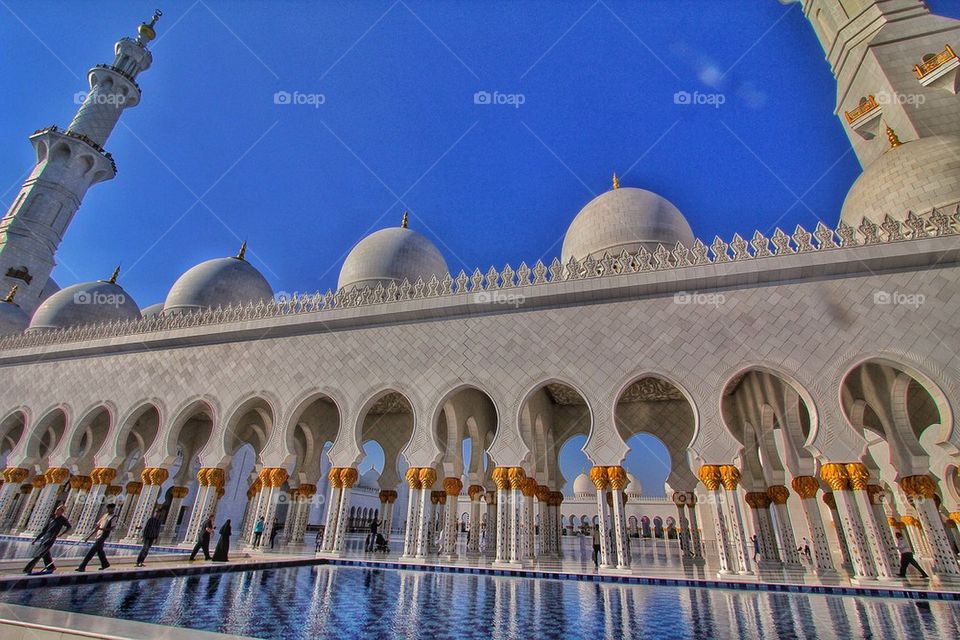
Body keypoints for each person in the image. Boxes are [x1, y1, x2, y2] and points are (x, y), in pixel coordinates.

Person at [24, 504, 71, 574]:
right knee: (45, 554)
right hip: (45, 538)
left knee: (39, 554)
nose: (56, 510)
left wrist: (61, 534)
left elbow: (69, 527)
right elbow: (44, 530)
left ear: (62, 511)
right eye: (56, 509)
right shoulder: (52, 518)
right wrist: (36, 539)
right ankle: (51, 567)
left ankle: (28, 569)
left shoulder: (62, 519)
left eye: (58, 510)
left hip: (50, 539)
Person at [76, 503, 117, 572]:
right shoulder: (105, 515)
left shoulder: (114, 517)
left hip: (103, 535)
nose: (109, 510)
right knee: (100, 551)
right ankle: (105, 564)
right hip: (98, 535)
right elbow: (97, 526)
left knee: (92, 550)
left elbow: (112, 528)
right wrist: (88, 537)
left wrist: (102, 529)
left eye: (110, 508)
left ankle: (82, 566)